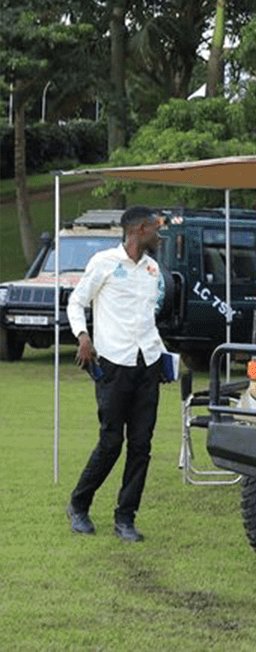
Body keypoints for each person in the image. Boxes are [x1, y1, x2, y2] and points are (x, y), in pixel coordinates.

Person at [65, 206, 167, 542]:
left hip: (147, 364)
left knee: (141, 445)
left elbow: (147, 320)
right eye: (155, 228)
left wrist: (163, 357)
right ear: (139, 230)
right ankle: (78, 505)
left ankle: (125, 518)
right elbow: (76, 302)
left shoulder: (152, 269)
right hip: (114, 365)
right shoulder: (104, 262)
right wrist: (83, 337)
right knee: (111, 443)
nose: (159, 234)